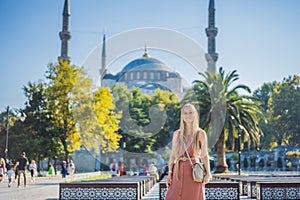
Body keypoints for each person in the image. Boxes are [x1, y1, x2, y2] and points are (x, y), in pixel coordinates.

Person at [165, 103, 212, 200]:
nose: (188, 115)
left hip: (194, 172)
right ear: (182, 116)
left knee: (193, 196)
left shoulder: (200, 133)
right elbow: (173, 155)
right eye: (185, 113)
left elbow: (204, 155)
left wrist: (208, 173)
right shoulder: (177, 134)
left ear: (195, 114)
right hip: (177, 171)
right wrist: (170, 173)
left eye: (190, 112)